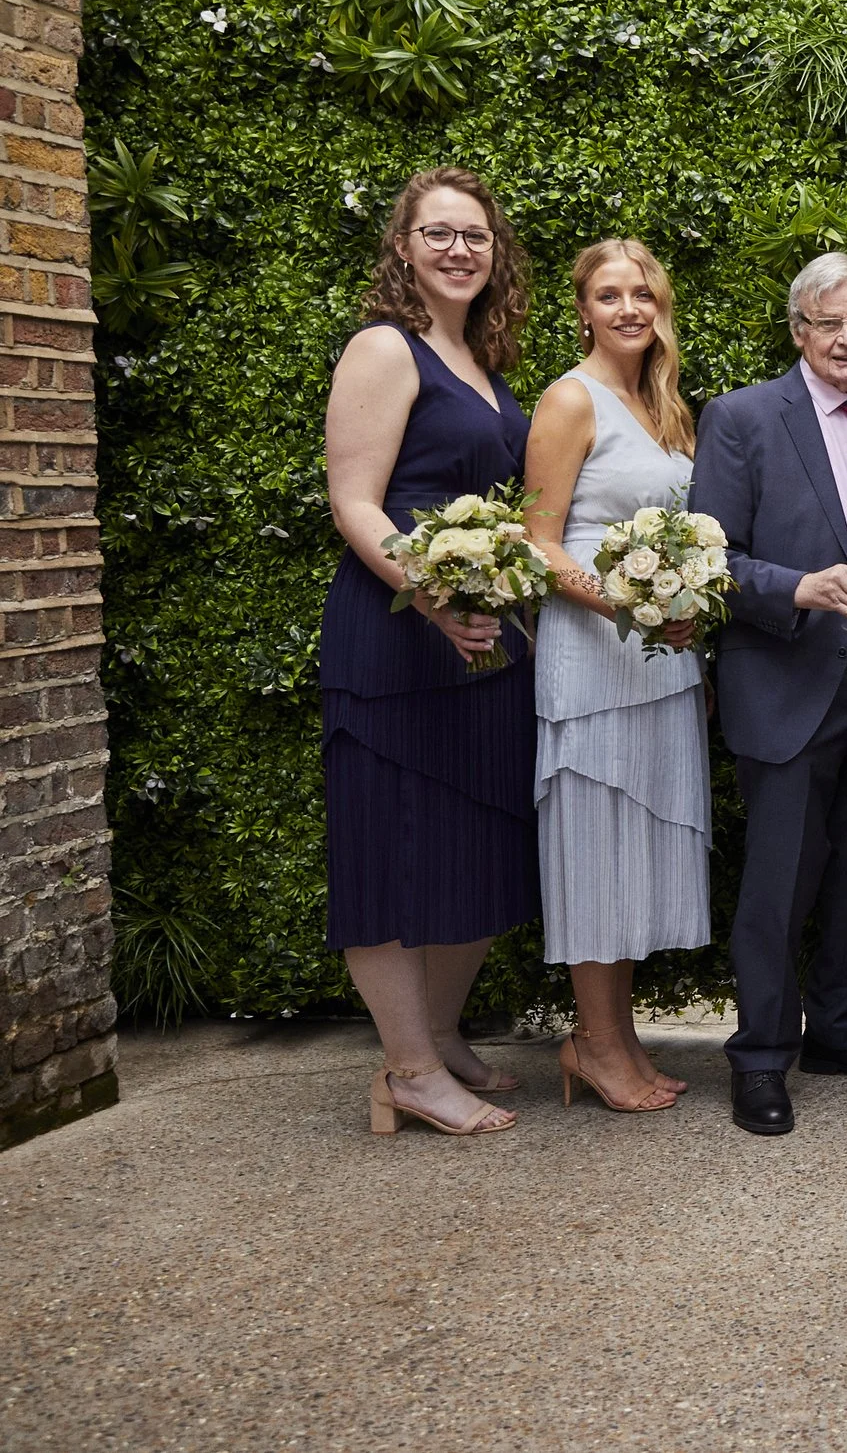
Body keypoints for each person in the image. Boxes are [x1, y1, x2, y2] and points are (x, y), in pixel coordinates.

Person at [689, 252, 847, 1138]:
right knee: (781, 879)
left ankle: (840, 1029)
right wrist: (794, 587)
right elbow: (707, 557)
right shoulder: (745, 418)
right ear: (798, 332)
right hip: (788, 676)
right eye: (829, 323)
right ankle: (760, 1055)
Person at [322, 166, 537, 1138]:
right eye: (439, 233)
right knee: (390, 851)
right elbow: (356, 502)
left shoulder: (483, 362)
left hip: (482, 643)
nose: (459, 249)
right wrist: (432, 592)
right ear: (404, 247)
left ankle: (438, 1032)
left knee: (481, 841)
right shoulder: (385, 347)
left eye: (476, 236)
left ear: (496, 255)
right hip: (399, 639)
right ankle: (406, 1070)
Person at [522, 240, 711, 1115]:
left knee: (637, 847)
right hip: (594, 653)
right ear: (584, 309)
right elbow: (541, 541)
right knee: (597, 847)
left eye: (643, 293)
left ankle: (618, 1036)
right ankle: (593, 1043)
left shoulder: (664, 404)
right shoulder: (570, 398)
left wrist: (686, 604)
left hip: (661, 656)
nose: (629, 308)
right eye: (609, 294)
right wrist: (622, 607)